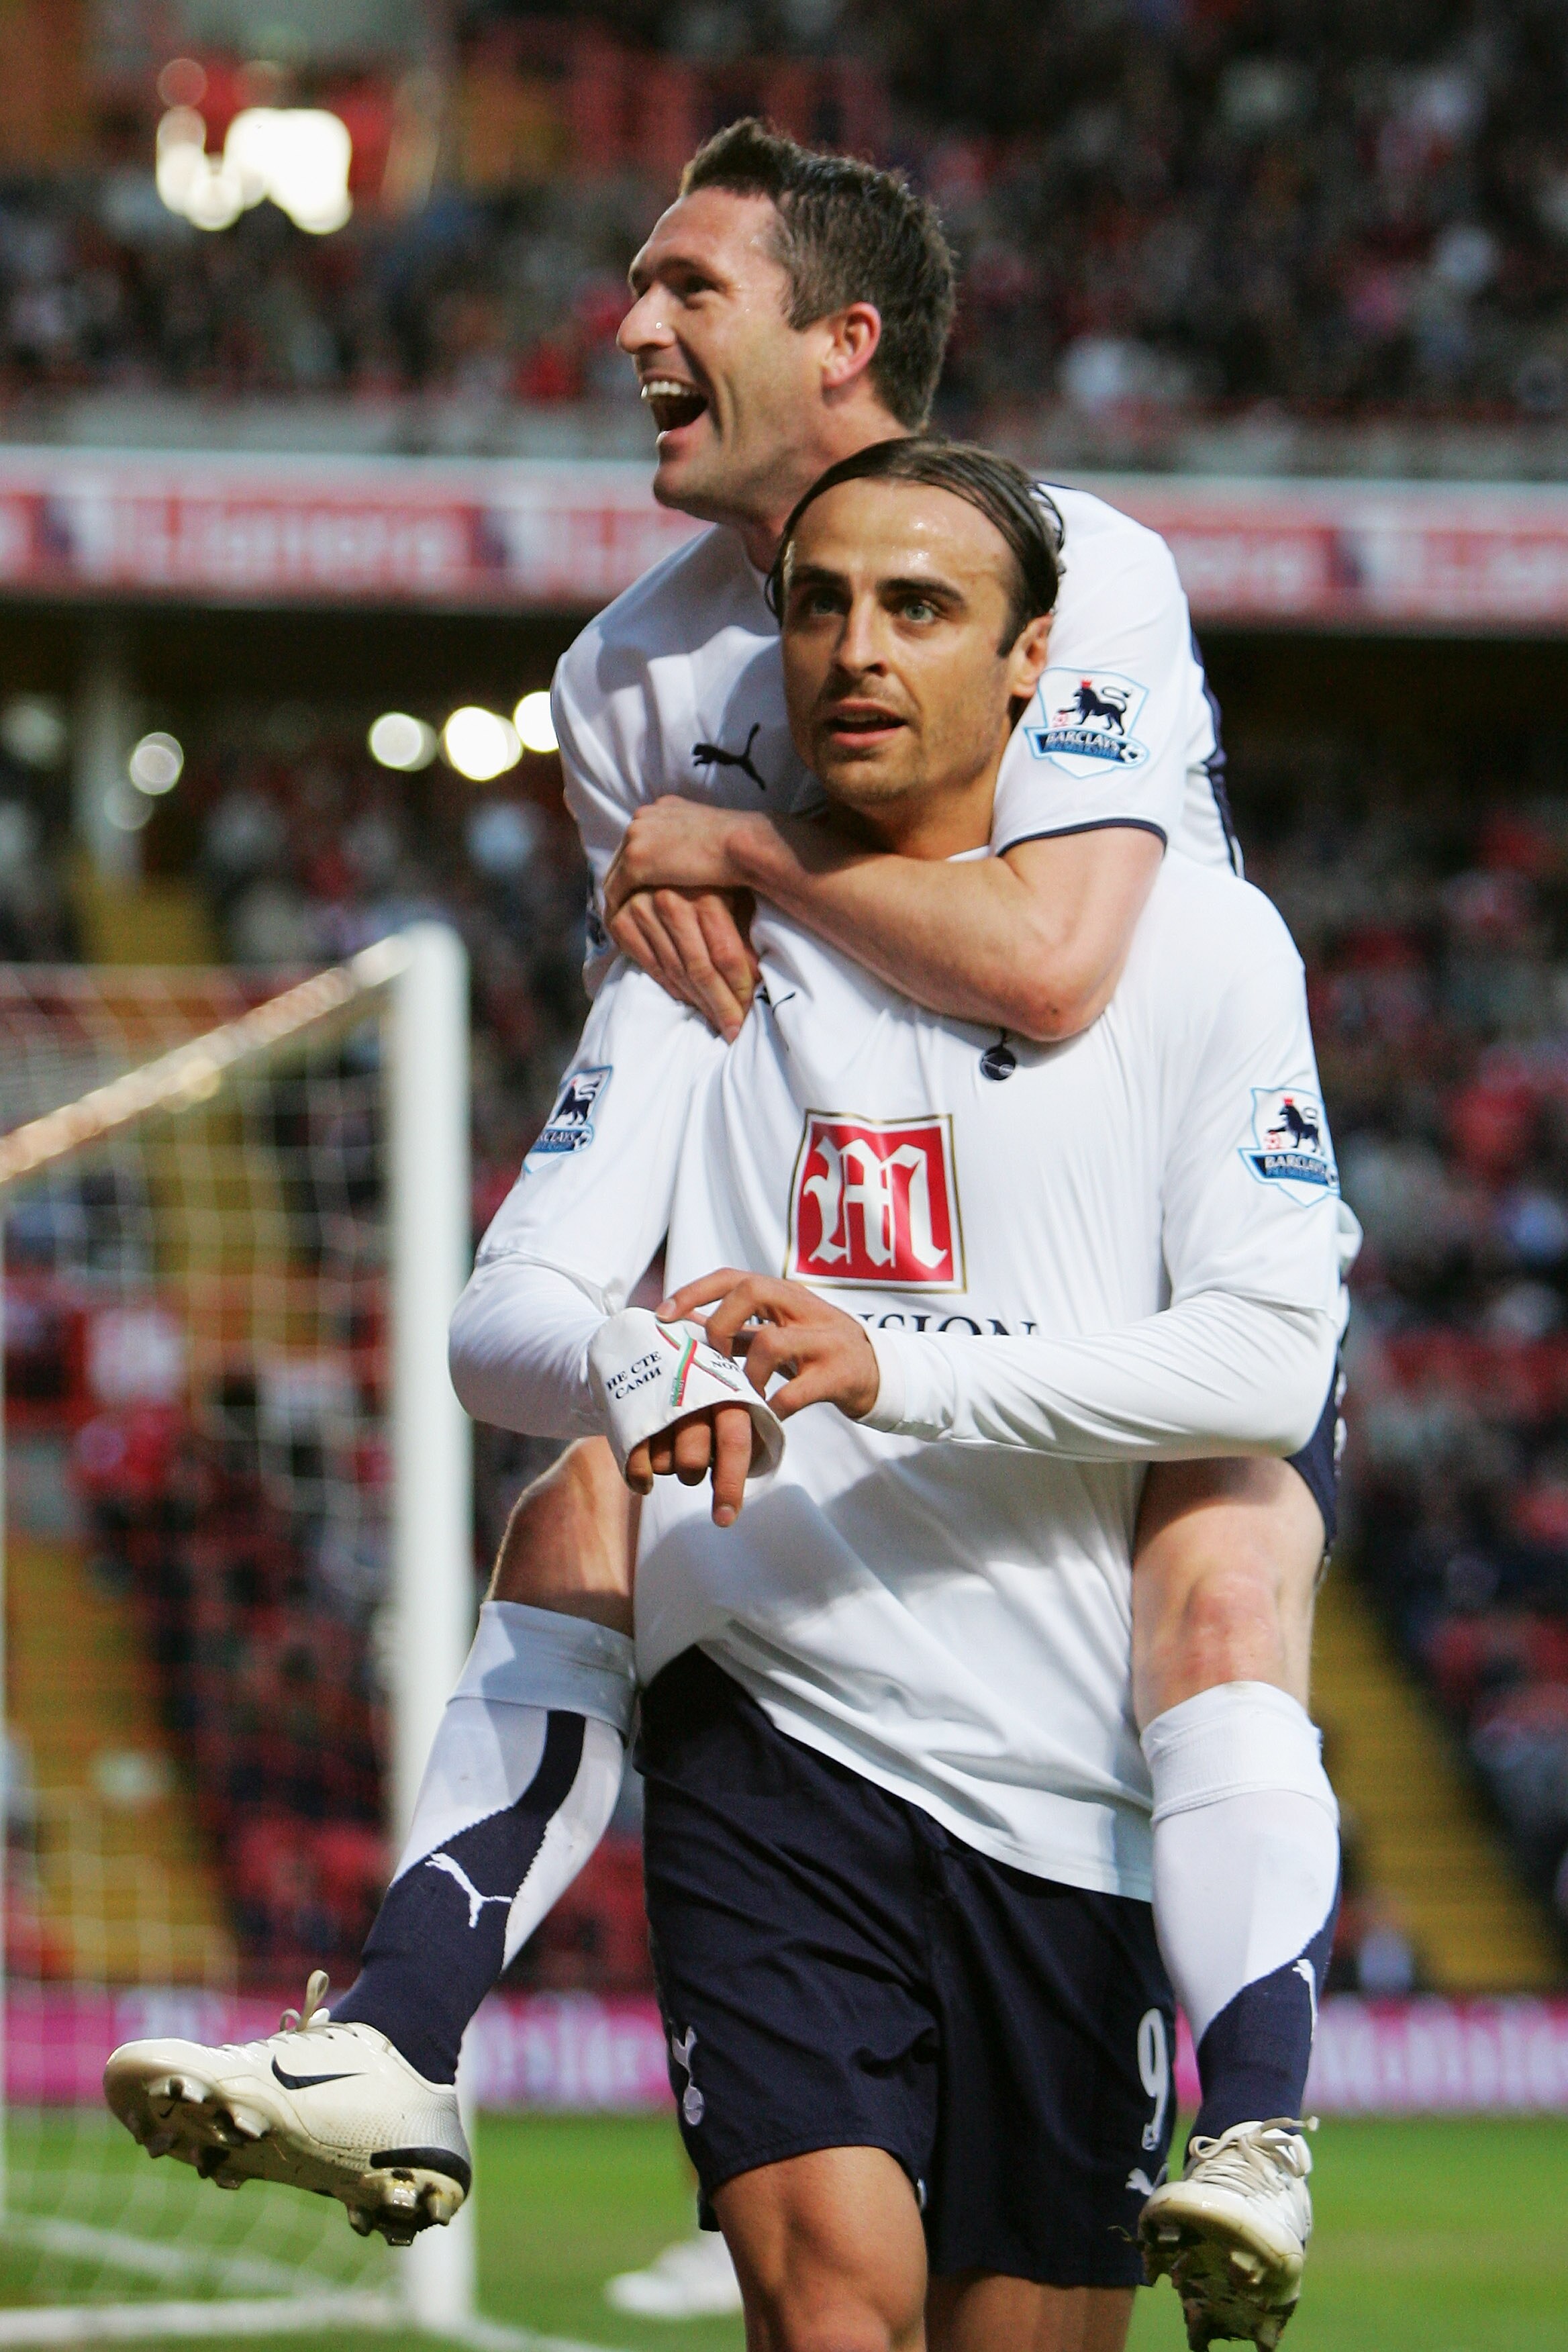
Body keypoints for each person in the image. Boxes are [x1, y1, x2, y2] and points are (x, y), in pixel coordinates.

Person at [104, 128, 1344, 2347]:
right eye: (635, 282)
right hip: (834, 1324)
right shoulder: (620, 684)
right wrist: (662, 1341)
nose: (630, 330)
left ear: (843, 341)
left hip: (1125, 1261)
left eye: (688, 288)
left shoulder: (1104, 569)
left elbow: (1059, 959)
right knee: (588, 1433)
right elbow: (694, 1017)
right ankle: (402, 2022)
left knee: (1222, 1562)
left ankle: (1254, 2114)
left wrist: (737, 841)